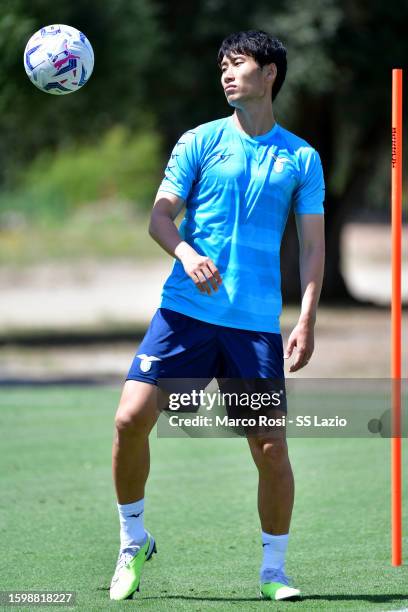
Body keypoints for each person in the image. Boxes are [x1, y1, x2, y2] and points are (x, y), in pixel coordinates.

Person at [109, 29, 325, 602]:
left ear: (270, 72)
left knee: (271, 449)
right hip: (186, 313)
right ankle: (133, 540)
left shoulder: (301, 156)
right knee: (130, 419)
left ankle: (274, 572)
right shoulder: (199, 142)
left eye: (239, 65)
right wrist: (185, 250)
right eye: (223, 67)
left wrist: (304, 320)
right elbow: (160, 218)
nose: (227, 74)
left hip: (254, 328)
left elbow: (312, 247)